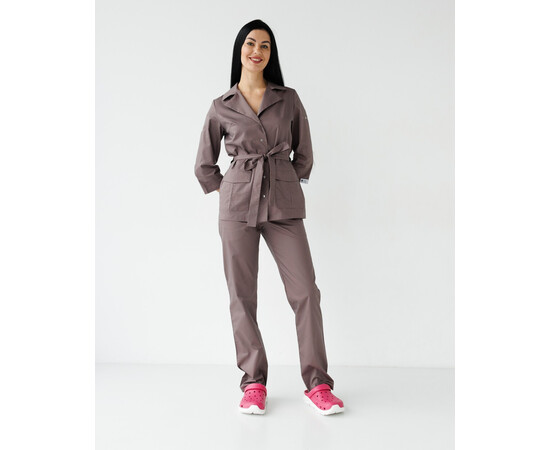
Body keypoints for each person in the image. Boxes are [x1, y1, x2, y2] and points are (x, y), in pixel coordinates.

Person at [194, 19, 345, 416]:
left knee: (306, 292)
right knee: (242, 296)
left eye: (265, 45)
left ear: (271, 53)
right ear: (239, 50)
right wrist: (230, 190)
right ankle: (253, 383)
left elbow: (304, 154)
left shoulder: (288, 99)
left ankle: (318, 384)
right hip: (237, 207)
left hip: (283, 204)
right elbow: (204, 166)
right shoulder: (221, 105)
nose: (257, 51)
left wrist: (284, 181)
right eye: (250, 43)